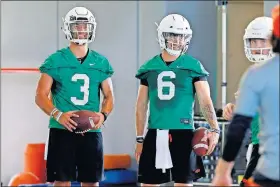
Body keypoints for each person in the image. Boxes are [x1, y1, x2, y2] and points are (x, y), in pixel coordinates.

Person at [135, 13, 220, 186]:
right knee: (149, 183)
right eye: (173, 35)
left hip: (184, 132)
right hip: (156, 131)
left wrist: (215, 128)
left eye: (181, 36)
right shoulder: (149, 68)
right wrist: (139, 138)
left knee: (183, 183)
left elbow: (205, 100)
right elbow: (141, 106)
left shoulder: (193, 66)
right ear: (162, 36)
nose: (177, 40)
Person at [35, 7, 114, 187]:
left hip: (91, 130)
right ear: (68, 29)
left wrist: (103, 115)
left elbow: (109, 95)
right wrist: (58, 114)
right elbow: (40, 95)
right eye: (77, 26)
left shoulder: (101, 62)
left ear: (91, 29)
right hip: (62, 128)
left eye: (85, 26)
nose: (81, 30)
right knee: (62, 182)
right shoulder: (55, 60)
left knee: (91, 182)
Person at [212, 5, 280, 187]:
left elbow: (238, 127)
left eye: (262, 41)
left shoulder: (256, 75)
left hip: (268, 161)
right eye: (253, 41)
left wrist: (222, 171)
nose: (257, 47)